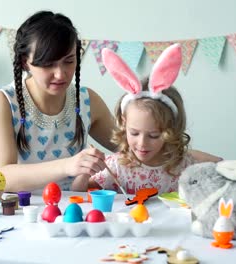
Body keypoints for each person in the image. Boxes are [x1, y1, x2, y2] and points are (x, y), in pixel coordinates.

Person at [0, 11, 116, 192]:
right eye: (48, 64)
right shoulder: (3, 101)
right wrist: (67, 166)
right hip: (19, 211)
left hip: (71, 212)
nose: (60, 74)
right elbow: (2, 177)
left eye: (69, 61)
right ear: (25, 62)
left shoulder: (86, 100)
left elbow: (133, 144)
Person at [87, 44, 222, 194]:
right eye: (134, 133)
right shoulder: (116, 166)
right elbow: (79, 192)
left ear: (170, 130)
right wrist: (84, 170)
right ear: (124, 123)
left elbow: (221, 167)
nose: (142, 143)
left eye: (153, 135)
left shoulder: (184, 165)